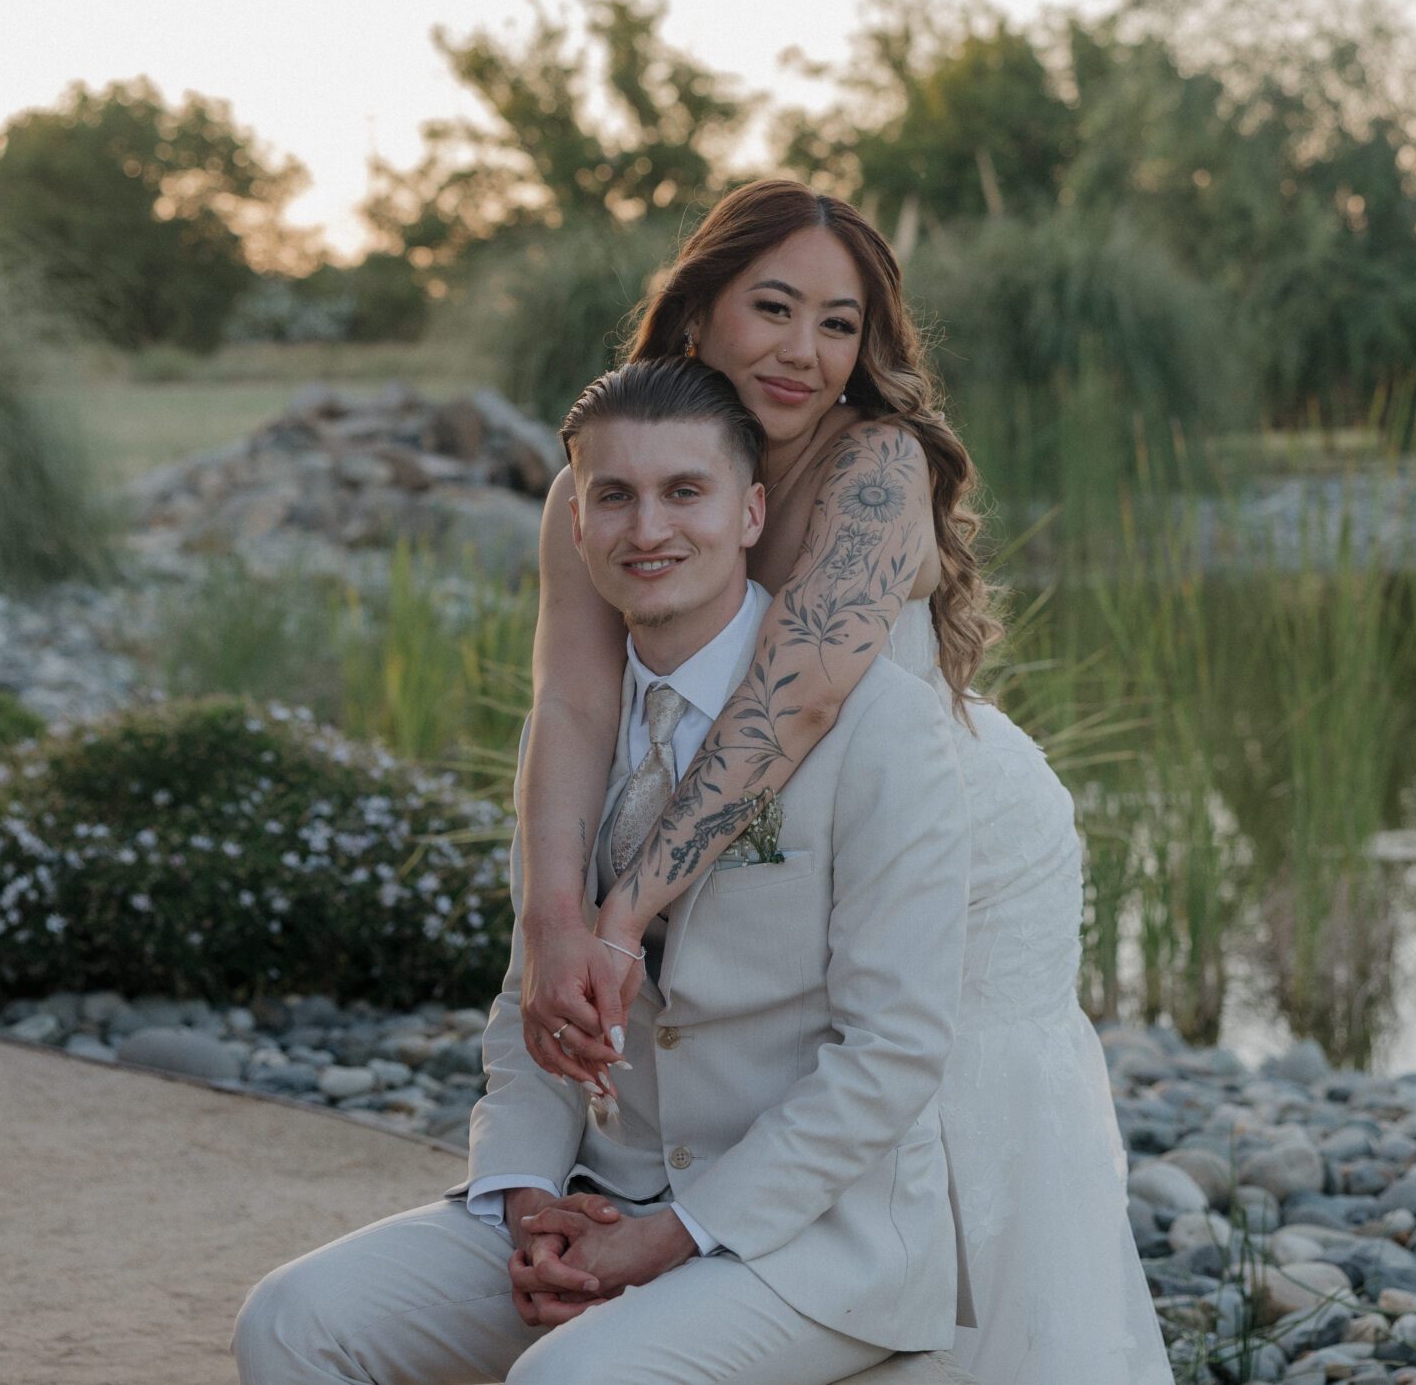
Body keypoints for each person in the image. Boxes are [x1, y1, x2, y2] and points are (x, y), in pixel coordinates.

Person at [513, 182, 1170, 1382]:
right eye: (773, 308)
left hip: (957, 851)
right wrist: (554, 923)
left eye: (838, 324)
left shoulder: (876, 466)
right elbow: (570, 705)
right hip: (764, 844)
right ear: (698, 311)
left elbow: (796, 701)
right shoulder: (607, 481)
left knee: (946, 1156)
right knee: (765, 1091)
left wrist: (623, 911)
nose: (804, 353)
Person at [232, 359, 973, 1383]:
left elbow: (891, 1050)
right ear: (575, 526)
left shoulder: (880, 728)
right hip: (594, 1193)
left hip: (808, 1241)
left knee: (568, 1381)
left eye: (684, 493)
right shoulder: (577, 740)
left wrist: (674, 1232)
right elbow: (530, 1001)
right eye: (612, 497)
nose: (646, 530)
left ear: (750, 511)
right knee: (293, 1319)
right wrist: (530, 1198)